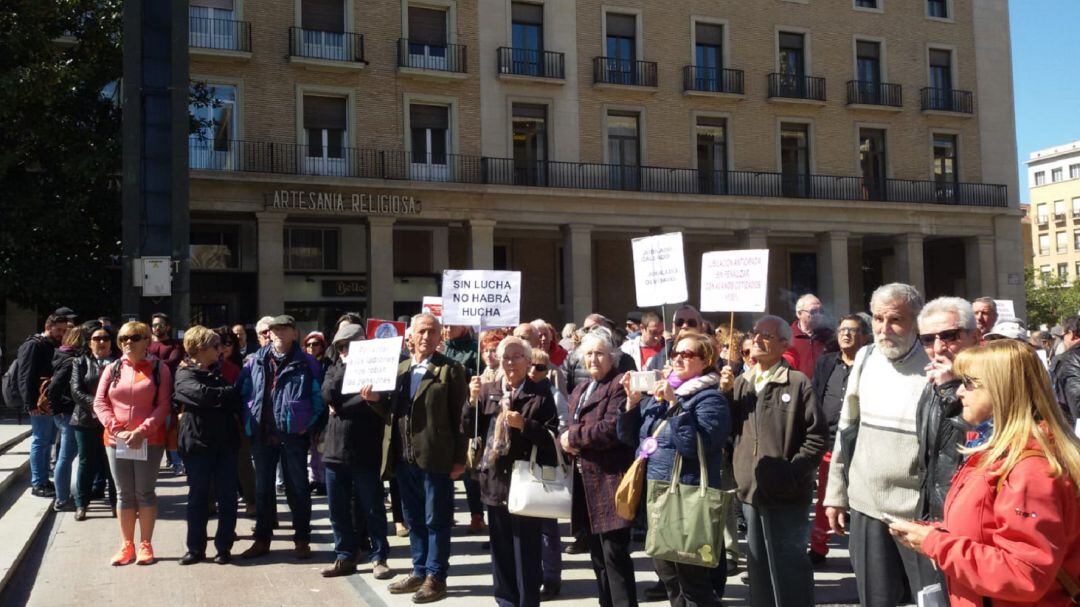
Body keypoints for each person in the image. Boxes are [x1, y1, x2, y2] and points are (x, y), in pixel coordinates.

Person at [889, 340, 1080, 607]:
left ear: (1000, 390)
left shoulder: (1029, 468)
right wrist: (936, 534)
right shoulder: (999, 449)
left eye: (967, 383)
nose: (958, 393)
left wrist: (937, 544)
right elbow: (987, 528)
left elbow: (1024, 574)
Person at [823, 283, 937, 607]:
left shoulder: (934, 364)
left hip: (919, 513)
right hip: (867, 508)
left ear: (916, 321)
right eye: (877, 319)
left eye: (895, 320)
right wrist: (835, 495)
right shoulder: (866, 356)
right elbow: (847, 429)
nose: (884, 329)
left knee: (929, 599)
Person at [720, 316, 826, 607]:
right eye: (755, 334)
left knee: (790, 569)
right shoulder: (741, 383)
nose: (757, 339)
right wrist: (725, 395)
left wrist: (791, 473)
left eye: (766, 336)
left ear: (783, 344)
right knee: (759, 571)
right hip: (750, 493)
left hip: (788, 494)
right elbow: (727, 430)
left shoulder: (797, 382)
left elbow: (817, 437)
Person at [619, 332, 731, 606]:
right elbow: (630, 437)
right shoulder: (662, 391)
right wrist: (632, 403)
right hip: (656, 497)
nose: (678, 358)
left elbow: (695, 447)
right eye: (675, 354)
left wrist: (675, 406)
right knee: (670, 580)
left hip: (684, 499)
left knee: (694, 585)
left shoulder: (710, 399)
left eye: (687, 354)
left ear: (706, 360)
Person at [465, 336, 559, 607]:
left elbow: (551, 438)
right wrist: (471, 402)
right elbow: (468, 428)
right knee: (501, 551)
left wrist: (525, 425)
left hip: (525, 482)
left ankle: (527, 602)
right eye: (505, 357)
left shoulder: (541, 393)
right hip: (495, 481)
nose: (509, 362)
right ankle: (505, 601)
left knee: (526, 553)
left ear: (529, 362)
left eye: (516, 357)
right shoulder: (488, 390)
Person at [385, 313, 468, 603]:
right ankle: (419, 570)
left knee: (436, 520)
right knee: (414, 519)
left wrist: (460, 458)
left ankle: (436, 577)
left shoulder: (451, 369)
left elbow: (461, 417)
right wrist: (372, 401)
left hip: (436, 458)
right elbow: (390, 414)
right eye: (421, 331)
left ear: (439, 337)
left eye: (432, 332)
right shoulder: (400, 370)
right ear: (410, 337)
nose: (426, 337)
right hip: (405, 458)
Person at [559, 328, 638, 607]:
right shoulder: (580, 388)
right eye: (589, 354)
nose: (593, 359)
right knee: (597, 557)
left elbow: (611, 429)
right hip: (585, 482)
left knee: (614, 555)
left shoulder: (617, 385)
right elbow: (569, 426)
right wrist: (566, 438)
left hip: (609, 481)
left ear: (613, 357)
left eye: (600, 353)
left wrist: (573, 437)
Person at [239, 315, 327, 561]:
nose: (276, 333)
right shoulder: (254, 361)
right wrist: (249, 421)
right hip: (262, 434)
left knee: (298, 489)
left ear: (294, 334)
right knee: (263, 489)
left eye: (282, 329)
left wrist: (306, 426)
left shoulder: (307, 363)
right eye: (273, 329)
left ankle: (302, 539)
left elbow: (319, 400)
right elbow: (243, 393)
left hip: (293, 436)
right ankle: (262, 539)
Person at [93, 321, 173, 566]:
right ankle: (127, 544)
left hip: (149, 440)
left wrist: (141, 431)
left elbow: (164, 405)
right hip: (116, 441)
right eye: (124, 338)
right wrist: (118, 430)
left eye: (135, 337)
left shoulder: (160, 369)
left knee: (144, 492)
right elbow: (99, 403)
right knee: (124, 494)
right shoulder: (113, 368)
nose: (128, 342)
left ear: (147, 341)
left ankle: (145, 544)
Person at [320, 323, 393, 580]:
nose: (343, 350)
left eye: (348, 345)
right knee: (337, 508)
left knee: (372, 507)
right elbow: (328, 393)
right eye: (340, 346)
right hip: (334, 450)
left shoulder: (377, 369)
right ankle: (344, 555)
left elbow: (378, 402)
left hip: (365, 449)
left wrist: (345, 404)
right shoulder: (334, 368)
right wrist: (349, 369)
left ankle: (379, 556)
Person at [175, 326, 243, 565]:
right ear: (201, 349)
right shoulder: (183, 373)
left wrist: (219, 395)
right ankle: (195, 548)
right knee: (198, 497)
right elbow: (200, 395)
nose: (221, 350)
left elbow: (234, 396)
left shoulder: (221, 371)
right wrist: (221, 395)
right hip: (197, 443)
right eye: (216, 346)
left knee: (227, 497)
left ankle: (223, 547)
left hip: (225, 442)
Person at [808, 314, 870, 564]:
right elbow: (814, 396)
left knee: (862, 501)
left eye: (853, 330)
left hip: (862, 445)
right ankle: (819, 546)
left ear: (865, 336)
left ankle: (864, 551)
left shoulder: (872, 365)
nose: (846, 334)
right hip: (830, 444)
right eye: (842, 329)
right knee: (827, 496)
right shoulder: (826, 363)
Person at [914, 297, 980, 527]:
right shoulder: (934, 383)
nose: (939, 348)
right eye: (928, 340)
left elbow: (977, 435)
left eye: (949, 336)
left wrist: (950, 389)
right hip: (935, 515)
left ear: (975, 336)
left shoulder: (993, 381)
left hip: (971, 516)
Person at [528, 347, 568, 600]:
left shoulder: (553, 395)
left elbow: (563, 426)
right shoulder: (514, 390)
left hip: (544, 465)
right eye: (530, 365)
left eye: (540, 367)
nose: (533, 371)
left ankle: (552, 578)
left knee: (546, 528)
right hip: (520, 468)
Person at [17, 313, 69, 498]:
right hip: (39, 402)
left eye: (64, 330)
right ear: (49, 326)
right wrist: (29, 402)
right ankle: (38, 482)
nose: (62, 334)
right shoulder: (34, 345)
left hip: (48, 401)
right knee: (41, 440)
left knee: (47, 441)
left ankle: (44, 480)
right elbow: (25, 375)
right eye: (59, 330)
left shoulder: (51, 345)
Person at [70, 323, 118, 520]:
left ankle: (117, 504)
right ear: (89, 343)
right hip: (85, 420)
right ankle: (81, 504)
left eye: (105, 339)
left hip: (112, 421)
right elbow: (76, 391)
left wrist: (106, 410)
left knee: (112, 463)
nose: (101, 342)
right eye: (96, 339)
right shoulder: (80, 362)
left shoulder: (119, 362)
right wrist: (98, 406)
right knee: (86, 462)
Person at [45, 324, 86, 512]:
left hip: (65, 412)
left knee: (66, 455)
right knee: (66, 456)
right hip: (68, 413)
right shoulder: (71, 360)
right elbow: (53, 388)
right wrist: (58, 409)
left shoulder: (61, 355)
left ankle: (64, 495)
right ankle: (62, 498)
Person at [149, 312, 184, 476]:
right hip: (149, 393)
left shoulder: (175, 345)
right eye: (154, 325)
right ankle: (156, 463)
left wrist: (151, 363)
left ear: (168, 327)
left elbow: (173, 362)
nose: (157, 328)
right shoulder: (147, 344)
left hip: (168, 392)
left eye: (160, 325)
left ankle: (176, 461)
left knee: (171, 428)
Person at [787, 294, 835, 379]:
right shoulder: (787, 335)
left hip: (824, 388)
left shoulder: (830, 336)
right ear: (799, 313)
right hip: (796, 387)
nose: (818, 315)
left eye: (821, 311)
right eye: (813, 311)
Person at [644, 305, 705, 372]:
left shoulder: (709, 355)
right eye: (679, 322)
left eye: (691, 323)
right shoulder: (658, 359)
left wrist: (674, 376)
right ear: (673, 327)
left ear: (701, 328)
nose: (684, 326)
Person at [1050, 315, 1080, 423]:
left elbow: (1076, 398)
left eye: (1063, 336)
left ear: (1071, 334)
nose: (1063, 341)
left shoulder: (1069, 359)